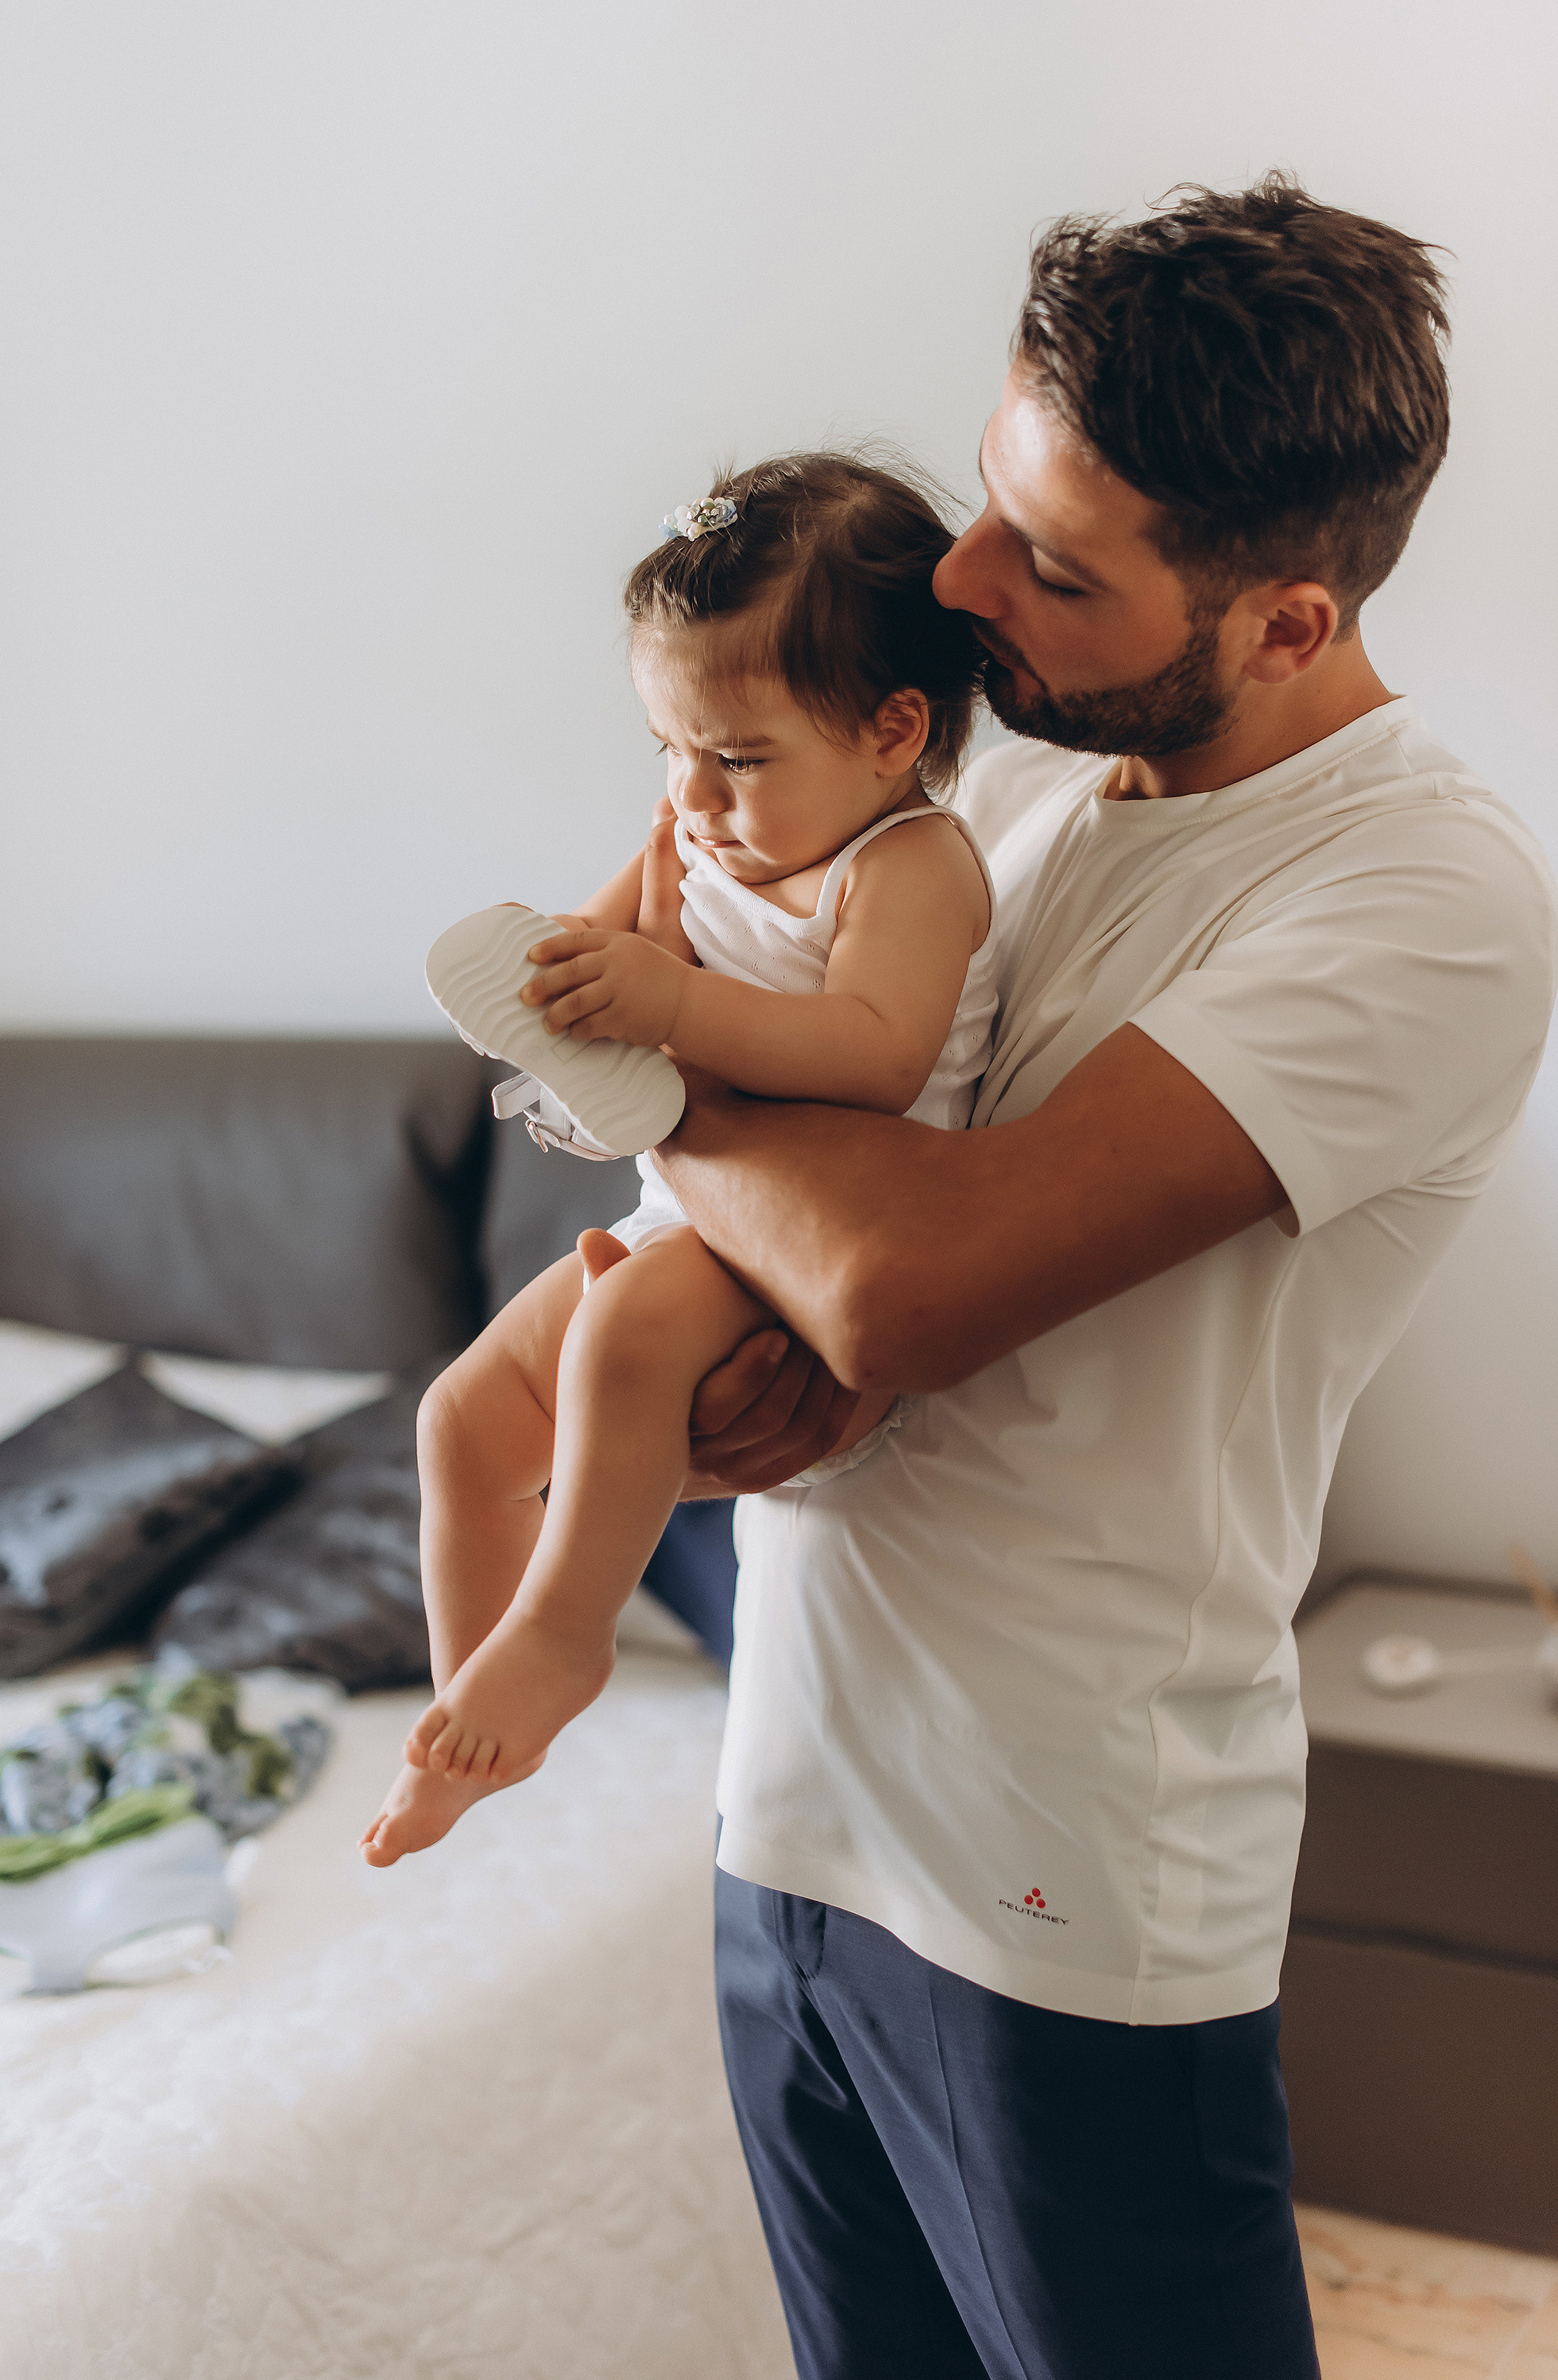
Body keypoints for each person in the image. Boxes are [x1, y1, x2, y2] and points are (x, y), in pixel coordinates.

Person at [632, 178, 1558, 2378]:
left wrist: (633, 1068)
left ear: (1288, 621)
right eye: (988, 498)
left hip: (1059, 1891)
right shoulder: (1036, 803)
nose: (953, 585)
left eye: (1048, 566)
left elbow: (908, 1282)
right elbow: (814, 1189)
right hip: (800, 1806)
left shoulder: (1420, 896)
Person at [360, 454, 998, 1867]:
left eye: (737, 756)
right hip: (688, 1212)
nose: (694, 795)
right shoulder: (696, 837)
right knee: (459, 1421)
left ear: (895, 730)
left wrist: (674, 1007)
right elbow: (588, 980)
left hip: (815, 1227)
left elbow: (881, 1051)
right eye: (667, 747)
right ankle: (478, 1695)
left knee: (631, 1326)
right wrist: (566, 970)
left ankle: (565, 1635)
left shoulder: (904, 865)